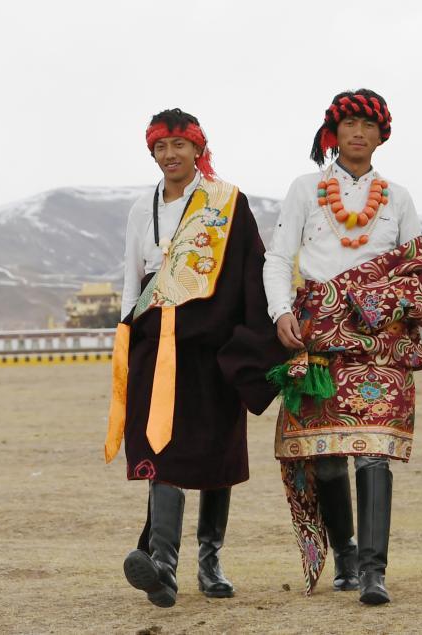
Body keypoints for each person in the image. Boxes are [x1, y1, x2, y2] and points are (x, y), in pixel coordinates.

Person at [263, 89, 422, 604]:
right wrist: (280, 311)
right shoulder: (306, 189)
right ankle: (345, 554)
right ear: (334, 131)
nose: (358, 133)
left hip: (381, 343)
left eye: (368, 126)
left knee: (374, 454)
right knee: (326, 455)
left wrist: (402, 302)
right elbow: (280, 257)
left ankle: (374, 572)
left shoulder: (399, 198)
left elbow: (417, 266)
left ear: (381, 135)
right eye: (349, 123)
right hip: (319, 335)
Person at [103, 108, 287, 608]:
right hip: (153, 340)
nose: (170, 156)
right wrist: (125, 330)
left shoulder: (226, 203)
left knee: (212, 449)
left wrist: (257, 336)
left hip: (211, 344)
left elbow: (251, 270)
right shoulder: (142, 207)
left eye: (179, 146)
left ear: (197, 149)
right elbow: (131, 273)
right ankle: (163, 566)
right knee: (158, 449)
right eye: (161, 147)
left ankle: (210, 561)